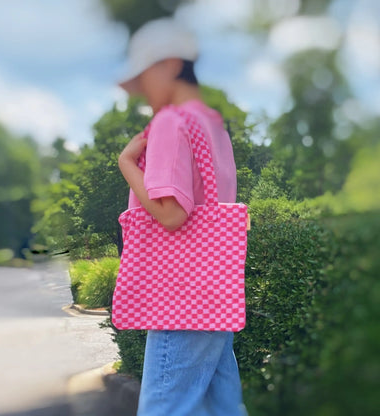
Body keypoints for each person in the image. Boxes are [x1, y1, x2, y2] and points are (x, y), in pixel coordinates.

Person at [116, 18, 248, 416]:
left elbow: (171, 215)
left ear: (171, 64)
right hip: (212, 294)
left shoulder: (171, 122)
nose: (142, 91)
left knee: (164, 407)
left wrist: (127, 164)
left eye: (144, 78)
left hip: (179, 293)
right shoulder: (212, 125)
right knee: (221, 405)